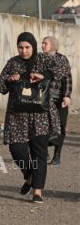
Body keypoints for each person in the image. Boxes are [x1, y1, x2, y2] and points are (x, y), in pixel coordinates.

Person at [0, 32, 62, 203]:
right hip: (17, 115)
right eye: (21, 47)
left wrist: (45, 75)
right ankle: (30, 175)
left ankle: (38, 191)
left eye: (27, 47)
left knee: (39, 153)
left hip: (40, 114)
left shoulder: (43, 59)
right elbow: (0, 86)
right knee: (17, 150)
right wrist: (10, 80)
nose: (24, 51)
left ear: (33, 47)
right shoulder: (13, 62)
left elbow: (63, 67)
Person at [41, 36, 72, 165]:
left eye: (45, 43)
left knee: (61, 126)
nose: (42, 45)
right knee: (43, 126)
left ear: (53, 45)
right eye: (42, 43)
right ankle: (44, 153)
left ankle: (57, 154)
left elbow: (68, 79)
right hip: (44, 99)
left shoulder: (62, 59)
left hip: (59, 99)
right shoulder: (39, 59)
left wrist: (67, 95)